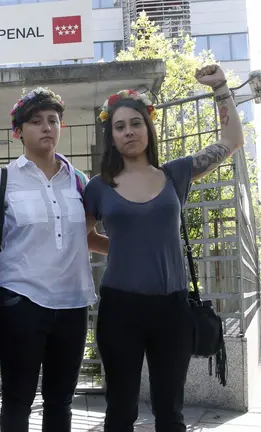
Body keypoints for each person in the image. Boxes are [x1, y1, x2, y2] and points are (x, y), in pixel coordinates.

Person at [83, 64, 245, 432]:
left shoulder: (176, 174)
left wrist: (220, 87)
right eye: (119, 126)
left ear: (148, 128)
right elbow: (85, 236)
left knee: (170, 413)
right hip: (119, 309)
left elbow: (233, 140)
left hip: (172, 309)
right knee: (120, 412)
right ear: (112, 135)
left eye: (135, 123)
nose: (129, 131)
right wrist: (125, 250)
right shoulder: (98, 187)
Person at [0, 87, 109, 432]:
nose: (47, 127)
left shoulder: (79, 181)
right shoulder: (2, 179)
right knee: (18, 399)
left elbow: (85, 237)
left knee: (61, 400)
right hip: (21, 302)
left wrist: (137, 248)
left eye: (53, 120)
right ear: (18, 131)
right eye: (36, 121)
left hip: (73, 304)